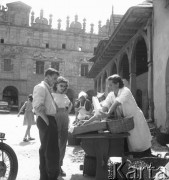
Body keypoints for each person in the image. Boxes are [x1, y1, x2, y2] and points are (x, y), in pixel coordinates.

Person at [98, 74, 152, 157]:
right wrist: (100, 113)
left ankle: (147, 157)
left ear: (117, 84)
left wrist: (108, 113)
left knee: (141, 142)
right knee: (131, 143)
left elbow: (116, 103)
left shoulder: (125, 91)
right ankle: (133, 159)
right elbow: (105, 105)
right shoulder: (111, 95)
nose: (108, 87)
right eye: (108, 85)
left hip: (135, 119)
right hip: (126, 122)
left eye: (110, 84)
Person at [32, 68, 60, 180]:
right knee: (51, 152)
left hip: (48, 119)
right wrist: (48, 122)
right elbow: (38, 107)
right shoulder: (40, 87)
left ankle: (45, 177)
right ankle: (50, 176)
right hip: (46, 120)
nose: (54, 81)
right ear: (47, 76)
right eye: (53, 78)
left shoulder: (47, 89)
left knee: (46, 150)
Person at [52, 76, 72, 177]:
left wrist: (66, 112)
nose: (63, 87)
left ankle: (59, 166)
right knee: (54, 144)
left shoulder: (65, 96)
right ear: (56, 85)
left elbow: (70, 104)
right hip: (55, 119)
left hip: (64, 119)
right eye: (61, 85)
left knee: (63, 144)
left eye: (64, 86)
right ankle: (53, 167)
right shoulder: (52, 95)